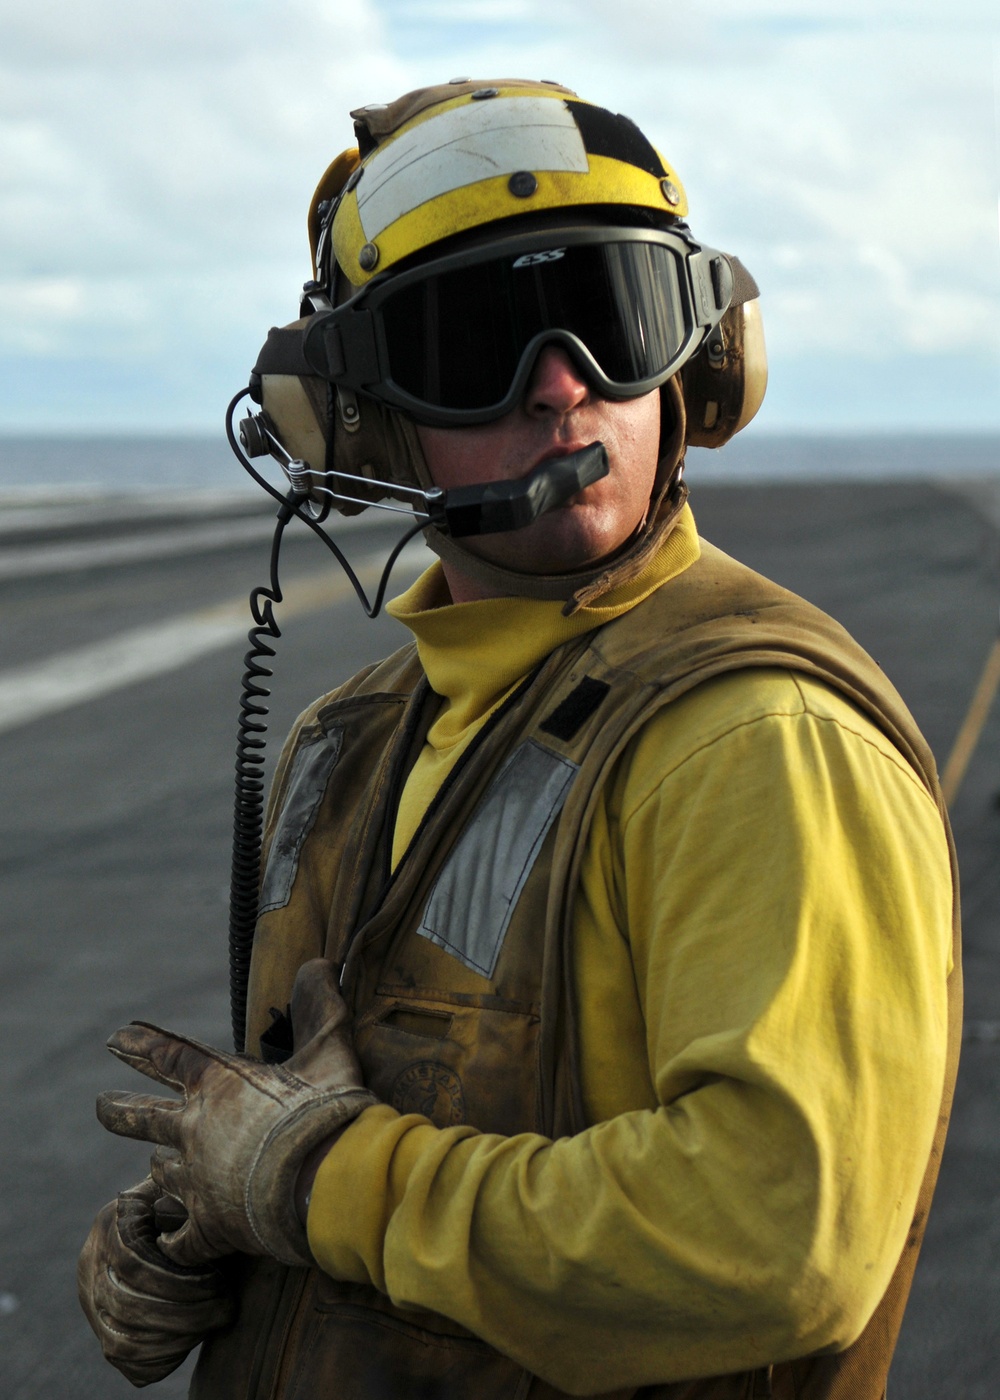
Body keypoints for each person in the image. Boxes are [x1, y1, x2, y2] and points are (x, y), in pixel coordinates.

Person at [78, 79, 961, 1399]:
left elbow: (778, 1237)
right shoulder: (352, 737)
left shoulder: (755, 736)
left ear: (700, 363)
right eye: (477, 336)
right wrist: (211, 1222)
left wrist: (319, 1180)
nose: (562, 389)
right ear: (359, 417)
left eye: (614, 319)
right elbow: (325, 1118)